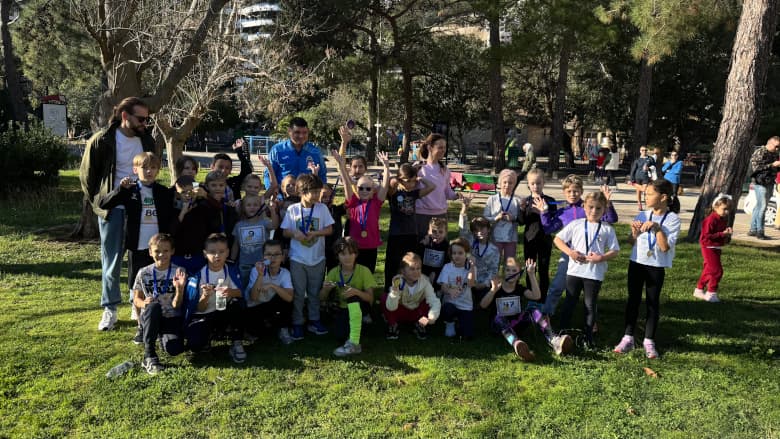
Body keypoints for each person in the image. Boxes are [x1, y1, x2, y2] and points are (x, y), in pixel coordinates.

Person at [80, 96, 155, 331]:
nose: (145, 123)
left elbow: (152, 169)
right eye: (141, 118)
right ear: (125, 116)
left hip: (140, 207)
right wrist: (99, 204)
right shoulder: (102, 140)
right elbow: (87, 178)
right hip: (113, 206)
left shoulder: (147, 141)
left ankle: (136, 302)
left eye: (147, 119)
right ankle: (110, 309)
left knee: (139, 256)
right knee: (111, 260)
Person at [98, 152, 176, 337]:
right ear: (135, 170)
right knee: (135, 279)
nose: (148, 171)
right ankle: (137, 308)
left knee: (155, 277)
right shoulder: (130, 191)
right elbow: (103, 203)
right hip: (137, 244)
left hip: (158, 246)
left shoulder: (163, 192)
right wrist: (120, 189)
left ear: (158, 170)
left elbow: (171, 214)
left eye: (153, 168)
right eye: (144, 167)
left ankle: (156, 308)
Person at [613, 179, 681, 359]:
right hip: (637, 262)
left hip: (656, 266)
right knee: (633, 299)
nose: (646, 197)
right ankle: (627, 337)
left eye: (650, 194)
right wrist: (634, 233)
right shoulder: (643, 214)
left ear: (663, 197)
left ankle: (649, 340)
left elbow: (665, 247)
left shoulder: (672, 219)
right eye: (645, 194)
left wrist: (658, 229)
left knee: (652, 302)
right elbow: (631, 241)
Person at [538, 175, 618, 317]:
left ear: (581, 191)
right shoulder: (562, 212)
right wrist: (543, 213)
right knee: (557, 285)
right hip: (569, 255)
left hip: (591, 257)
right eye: (569, 191)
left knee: (590, 292)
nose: (572, 195)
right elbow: (548, 229)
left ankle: (591, 320)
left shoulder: (588, 207)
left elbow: (611, 219)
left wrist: (608, 203)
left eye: (575, 191)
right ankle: (546, 313)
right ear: (564, 192)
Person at [553, 191, 620, 348]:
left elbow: (615, 250)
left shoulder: (607, 229)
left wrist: (601, 258)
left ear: (604, 210)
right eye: (590, 207)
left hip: (594, 273)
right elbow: (558, 239)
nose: (594, 211)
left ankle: (588, 336)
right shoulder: (576, 224)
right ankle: (562, 332)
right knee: (570, 301)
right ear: (584, 207)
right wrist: (570, 252)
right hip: (574, 272)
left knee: (590, 304)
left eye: (598, 208)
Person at [479, 257, 572, 360]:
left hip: (515, 324)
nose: (510, 273)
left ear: (519, 274)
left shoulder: (520, 289)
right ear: (503, 273)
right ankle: (516, 344)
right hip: (500, 328)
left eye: (514, 270)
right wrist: (493, 290)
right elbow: (483, 305)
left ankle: (554, 340)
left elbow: (536, 296)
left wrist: (531, 275)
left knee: (534, 310)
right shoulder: (497, 288)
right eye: (508, 270)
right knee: (499, 317)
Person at [281, 173, 334, 340]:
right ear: (303, 191)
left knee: (314, 292)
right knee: (298, 293)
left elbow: (329, 229)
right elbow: (285, 231)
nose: (319, 195)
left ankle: (314, 319)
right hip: (298, 259)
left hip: (317, 259)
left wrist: (316, 233)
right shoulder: (292, 209)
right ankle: (297, 322)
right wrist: (295, 234)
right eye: (315, 191)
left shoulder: (322, 208)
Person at [183, 233, 247, 363]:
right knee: (195, 345)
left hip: (222, 311)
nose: (217, 255)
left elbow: (241, 293)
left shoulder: (231, 270)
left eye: (221, 251)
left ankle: (237, 342)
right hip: (204, 315)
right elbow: (199, 308)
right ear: (205, 254)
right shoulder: (198, 277)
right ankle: (208, 336)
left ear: (227, 252)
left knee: (236, 306)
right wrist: (205, 296)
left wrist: (231, 292)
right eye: (212, 252)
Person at [130, 233, 187, 375]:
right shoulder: (143, 273)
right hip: (150, 315)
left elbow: (177, 305)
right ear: (150, 252)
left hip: (170, 316)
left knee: (174, 349)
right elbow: (136, 299)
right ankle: (149, 355)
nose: (161, 254)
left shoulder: (179, 272)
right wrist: (144, 303)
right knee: (153, 306)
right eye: (157, 251)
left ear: (172, 251)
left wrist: (179, 289)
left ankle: (162, 336)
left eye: (166, 251)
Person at [332, 149, 390, 272]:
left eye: (368, 188)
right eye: (361, 188)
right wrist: (342, 166)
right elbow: (347, 184)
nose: (364, 191)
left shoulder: (376, 202)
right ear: (356, 189)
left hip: (371, 245)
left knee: (368, 275)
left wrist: (386, 167)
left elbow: (385, 186)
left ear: (373, 190)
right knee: (352, 273)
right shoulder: (353, 202)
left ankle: (367, 292)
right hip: (354, 247)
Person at [172, 171, 238, 273]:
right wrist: (205, 195)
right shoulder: (201, 204)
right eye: (213, 185)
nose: (217, 188)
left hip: (223, 250)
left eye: (221, 185)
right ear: (207, 186)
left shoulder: (228, 204)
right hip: (202, 252)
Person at [321, 238, 376, 356]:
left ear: (356, 254)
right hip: (343, 309)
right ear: (337, 256)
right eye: (343, 254)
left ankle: (354, 343)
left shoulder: (364, 270)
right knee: (339, 335)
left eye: (351, 253)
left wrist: (357, 292)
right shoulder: (334, 272)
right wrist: (325, 289)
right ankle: (359, 328)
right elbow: (322, 298)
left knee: (353, 296)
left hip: (361, 306)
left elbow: (370, 299)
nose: (347, 257)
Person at [384, 163, 435, 291]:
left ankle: (408, 290)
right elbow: (392, 182)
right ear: (400, 180)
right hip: (396, 235)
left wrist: (419, 178)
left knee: (410, 264)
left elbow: (432, 186)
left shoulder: (414, 193)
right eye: (408, 181)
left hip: (411, 234)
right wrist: (401, 179)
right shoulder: (394, 193)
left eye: (413, 182)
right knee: (393, 264)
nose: (411, 185)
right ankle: (389, 291)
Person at [243, 240, 295, 345]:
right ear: (263, 257)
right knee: (259, 333)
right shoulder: (256, 271)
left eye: (276, 254)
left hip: (270, 304)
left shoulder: (285, 273)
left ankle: (283, 329)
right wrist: (260, 275)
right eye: (268, 254)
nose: (273, 257)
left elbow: (290, 298)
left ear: (282, 256)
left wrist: (272, 286)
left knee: (286, 298)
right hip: (254, 307)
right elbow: (253, 297)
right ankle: (265, 324)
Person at [382, 252, 441, 340]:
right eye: (412, 269)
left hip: (416, 312)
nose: (416, 272)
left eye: (418, 269)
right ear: (403, 271)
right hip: (399, 311)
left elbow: (434, 300)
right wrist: (394, 291)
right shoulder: (398, 281)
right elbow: (391, 307)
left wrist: (432, 317)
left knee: (427, 302)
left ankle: (420, 325)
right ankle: (393, 324)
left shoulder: (425, 281)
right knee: (385, 298)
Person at [414, 133, 460, 239]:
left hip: (440, 215)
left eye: (444, 147)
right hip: (421, 215)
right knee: (421, 248)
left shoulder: (445, 170)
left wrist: (456, 195)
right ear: (430, 147)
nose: (443, 150)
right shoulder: (419, 167)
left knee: (439, 250)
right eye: (440, 147)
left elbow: (447, 191)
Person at [519, 168, 555, 301]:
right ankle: (532, 297)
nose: (535, 186)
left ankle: (543, 297)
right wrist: (522, 209)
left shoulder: (550, 201)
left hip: (545, 240)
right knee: (530, 269)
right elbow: (521, 222)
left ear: (543, 183)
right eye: (533, 183)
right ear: (528, 184)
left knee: (543, 270)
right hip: (530, 240)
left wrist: (544, 211)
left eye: (538, 183)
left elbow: (553, 223)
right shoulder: (526, 201)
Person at [264, 117, 328, 188]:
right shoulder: (277, 150)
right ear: (289, 131)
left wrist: (321, 194)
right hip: (282, 197)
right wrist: (274, 194)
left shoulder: (315, 152)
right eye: (297, 132)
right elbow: (268, 175)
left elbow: (322, 175)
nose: (301, 136)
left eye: (304, 132)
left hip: (307, 196)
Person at [458, 196, 500, 302]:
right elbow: (463, 229)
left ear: (489, 229)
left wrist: (483, 284)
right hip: (467, 279)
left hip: (482, 282)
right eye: (476, 230)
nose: (479, 232)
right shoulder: (470, 241)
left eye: (482, 229)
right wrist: (464, 209)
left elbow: (493, 270)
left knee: (487, 300)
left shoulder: (494, 250)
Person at [694, 194, 733, 303]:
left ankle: (699, 289)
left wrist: (726, 234)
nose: (727, 212)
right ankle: (711, 292)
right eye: (724, 209)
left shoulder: (722, 219)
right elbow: (706, 236)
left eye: (728, 209)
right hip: (708, 246)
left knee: (708, 269)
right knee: (717, 271)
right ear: (715, 207)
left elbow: (720, 233)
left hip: (716, 246)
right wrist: (722, 234)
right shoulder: (710, 219)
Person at [230, 194, 279, 282]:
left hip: (263, 262)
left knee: (261, 289)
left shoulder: (264, 222)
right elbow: (235, 245)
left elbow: (275, 226)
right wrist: (232, 261)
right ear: (243, 208)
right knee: (245, 288)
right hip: (245, 264)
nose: (252, 207)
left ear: (260, 207)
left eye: (255, 205)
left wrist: (272, 211)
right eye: (248, 205)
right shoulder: (239, 225)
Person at [437, 238, 477, 339]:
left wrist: (472, 267)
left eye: (460, 253)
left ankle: (459, 323)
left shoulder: (471, 268)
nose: (457, 256)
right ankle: (450, 323)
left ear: (467, 254)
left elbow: (471, 283)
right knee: (447, 309)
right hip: (450, 303)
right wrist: (450, 290)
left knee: (468, 336)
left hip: (465, 306)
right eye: (454, 253)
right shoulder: (447, 267)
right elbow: (443, 287)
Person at [483, 169, 523, 262]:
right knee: (494, 262)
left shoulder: (517, 200)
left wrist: (513, 218)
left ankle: (508, 277)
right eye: (504, 182)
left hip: (511, 238)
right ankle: (494, 277)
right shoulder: (492, 199)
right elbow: (485, 218)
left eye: (511, 183)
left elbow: (521, 219)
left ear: (514, 184)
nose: (507, 185)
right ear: (500, 183)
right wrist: (496, 218)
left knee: (510, 263)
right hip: (495, 237)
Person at [749, 136, 780, 239]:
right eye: (776, 146)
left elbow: (775, 168)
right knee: (762, 207)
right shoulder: (760, 152)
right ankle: (760, 231)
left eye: (778, 147)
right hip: (760, 182)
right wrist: (772, 165)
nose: (777, 149)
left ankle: (753, 229)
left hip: (770, 182)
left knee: (759, 206)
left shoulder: (775, 153)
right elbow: (756, 168)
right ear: (770, 143)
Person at [210, 137, 253, 202]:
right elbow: (192, 183)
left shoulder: (233, 183)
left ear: (230, 170)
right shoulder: (205, 186)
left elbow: (247, 171)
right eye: (220, 167)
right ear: (212, 167)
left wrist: (239, 152)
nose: (223, 170)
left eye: (227, 168)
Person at [417, 217, 450, 285]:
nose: (437, 234)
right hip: (423, 273)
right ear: (429, 231)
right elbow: (417, 257)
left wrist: (435, 273)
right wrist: (422, 245)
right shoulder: (426, 243)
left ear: (445, 233)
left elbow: (446, 263)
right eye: (434, 231)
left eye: (440, 232)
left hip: (439, 274)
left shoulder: (446, 246)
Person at [628, 146, 655, 211]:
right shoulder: (637, 160)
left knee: (644, 189)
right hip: (637, 177)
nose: (644, 151)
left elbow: (654, 167)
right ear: (640, 151)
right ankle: (639, 205)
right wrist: (631, 179)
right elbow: (633, 170)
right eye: (642, 150)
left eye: (645, 150)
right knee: (638, 192)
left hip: (646, 177)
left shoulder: (650, 158)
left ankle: (633, 184)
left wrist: (649, 168)